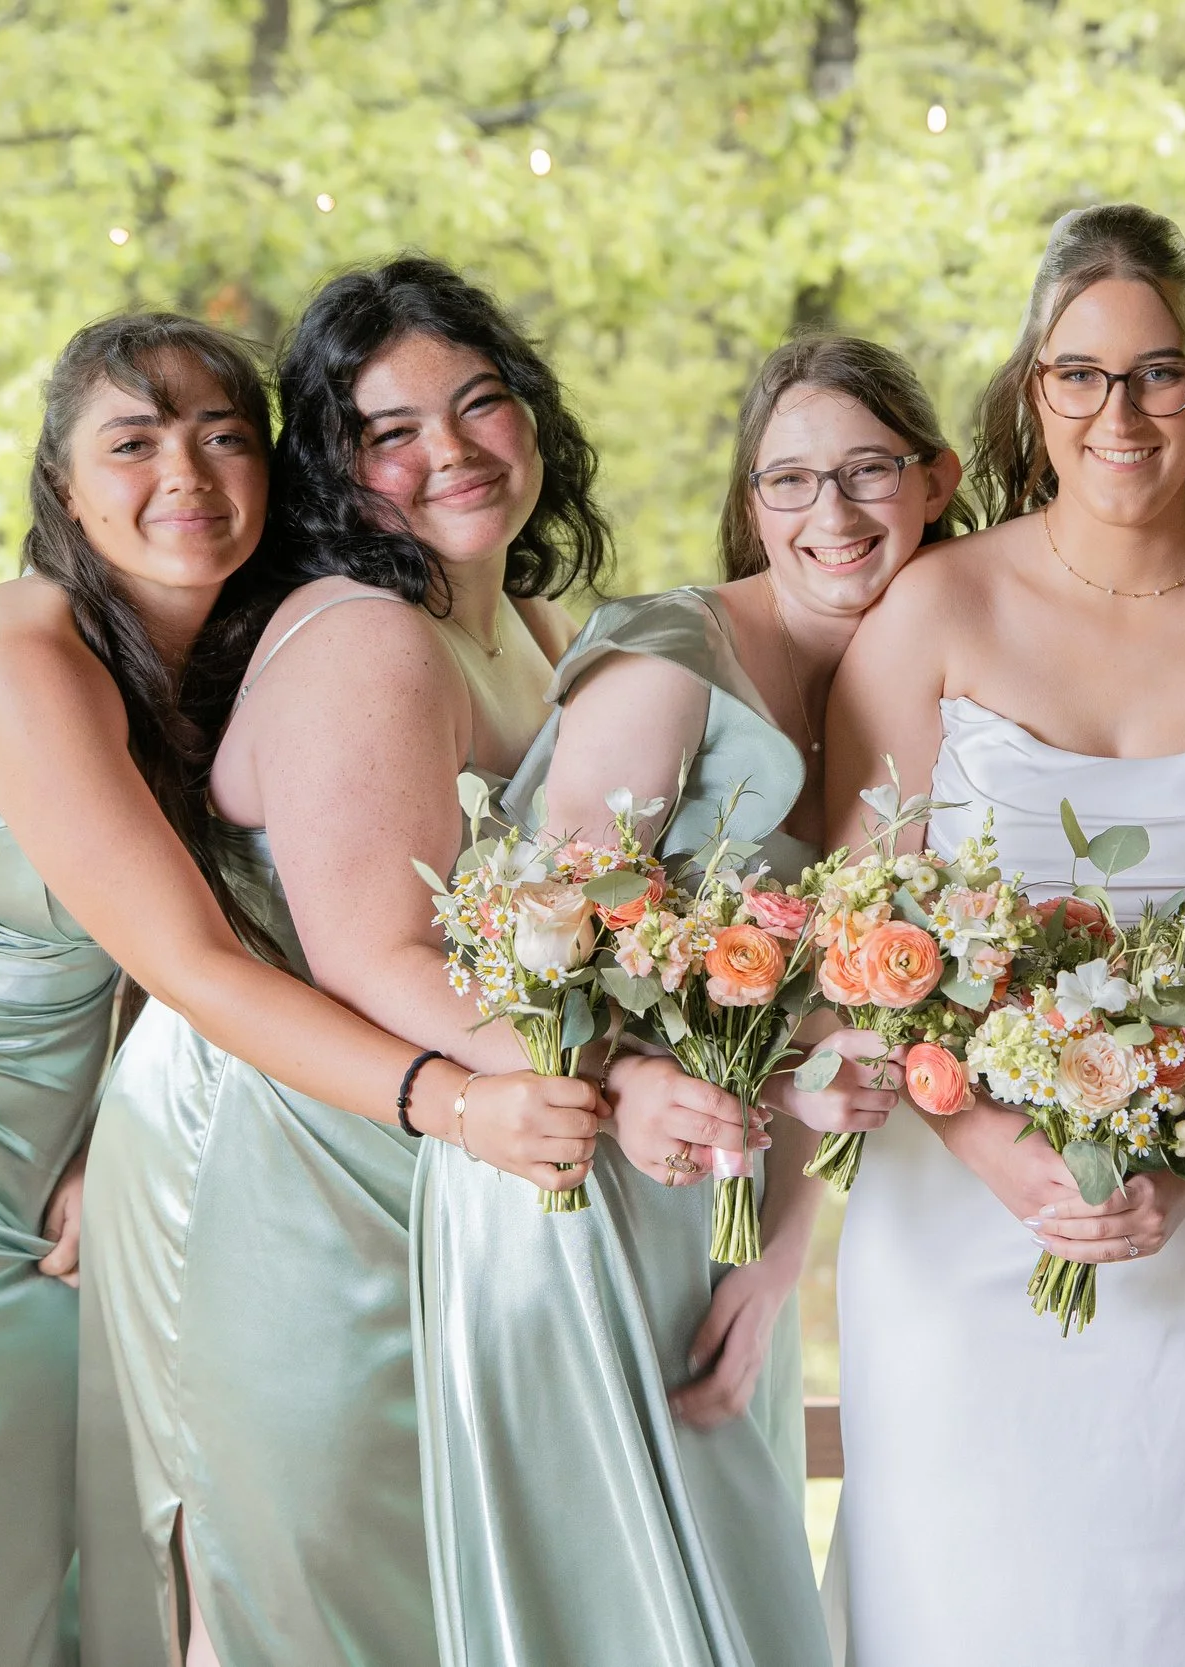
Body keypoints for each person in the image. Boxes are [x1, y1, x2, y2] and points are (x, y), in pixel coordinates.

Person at [0, 313, 594, 1667]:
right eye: (134, 441)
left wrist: (109, 1136)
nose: (189, 474)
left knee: (52, 1539)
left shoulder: (238, 653)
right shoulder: (17, 658)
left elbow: (202, 932)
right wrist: (456, 1104)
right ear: (62, 485)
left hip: (31, 1159)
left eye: (226, 436)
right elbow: (195, 961)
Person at [822, 203, 1185, 1667]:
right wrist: (1006, 1153)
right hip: (960, 1196)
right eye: (1081, 374)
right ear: (1032, 393)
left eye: (1158, 373)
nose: (1119, 411)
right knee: (955, 1597)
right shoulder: (932, 607)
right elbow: (861, 924)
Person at [82, 258, 615, 1666]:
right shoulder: (368, 636)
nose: (450, 450)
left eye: (480, 403)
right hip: (273, 1146)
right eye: (390, 430)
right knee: (306, 1573)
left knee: (423, 1573)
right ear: (335, 466)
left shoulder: (529, 625)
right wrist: (607, 1085)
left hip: (419, 1132)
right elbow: (373, 950)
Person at [414, 333, 965, 1667]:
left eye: (865, 472)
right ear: (751, 501)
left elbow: (828, 1034)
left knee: (736, 1599)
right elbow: (537, 943)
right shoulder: (677, 654)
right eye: (788, 481)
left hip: (724, 1197)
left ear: (937, 480)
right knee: (622, 1612)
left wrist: (779, 1257)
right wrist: (622, 1083)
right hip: (574, 1167)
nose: (828, 516)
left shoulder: (912, 692)